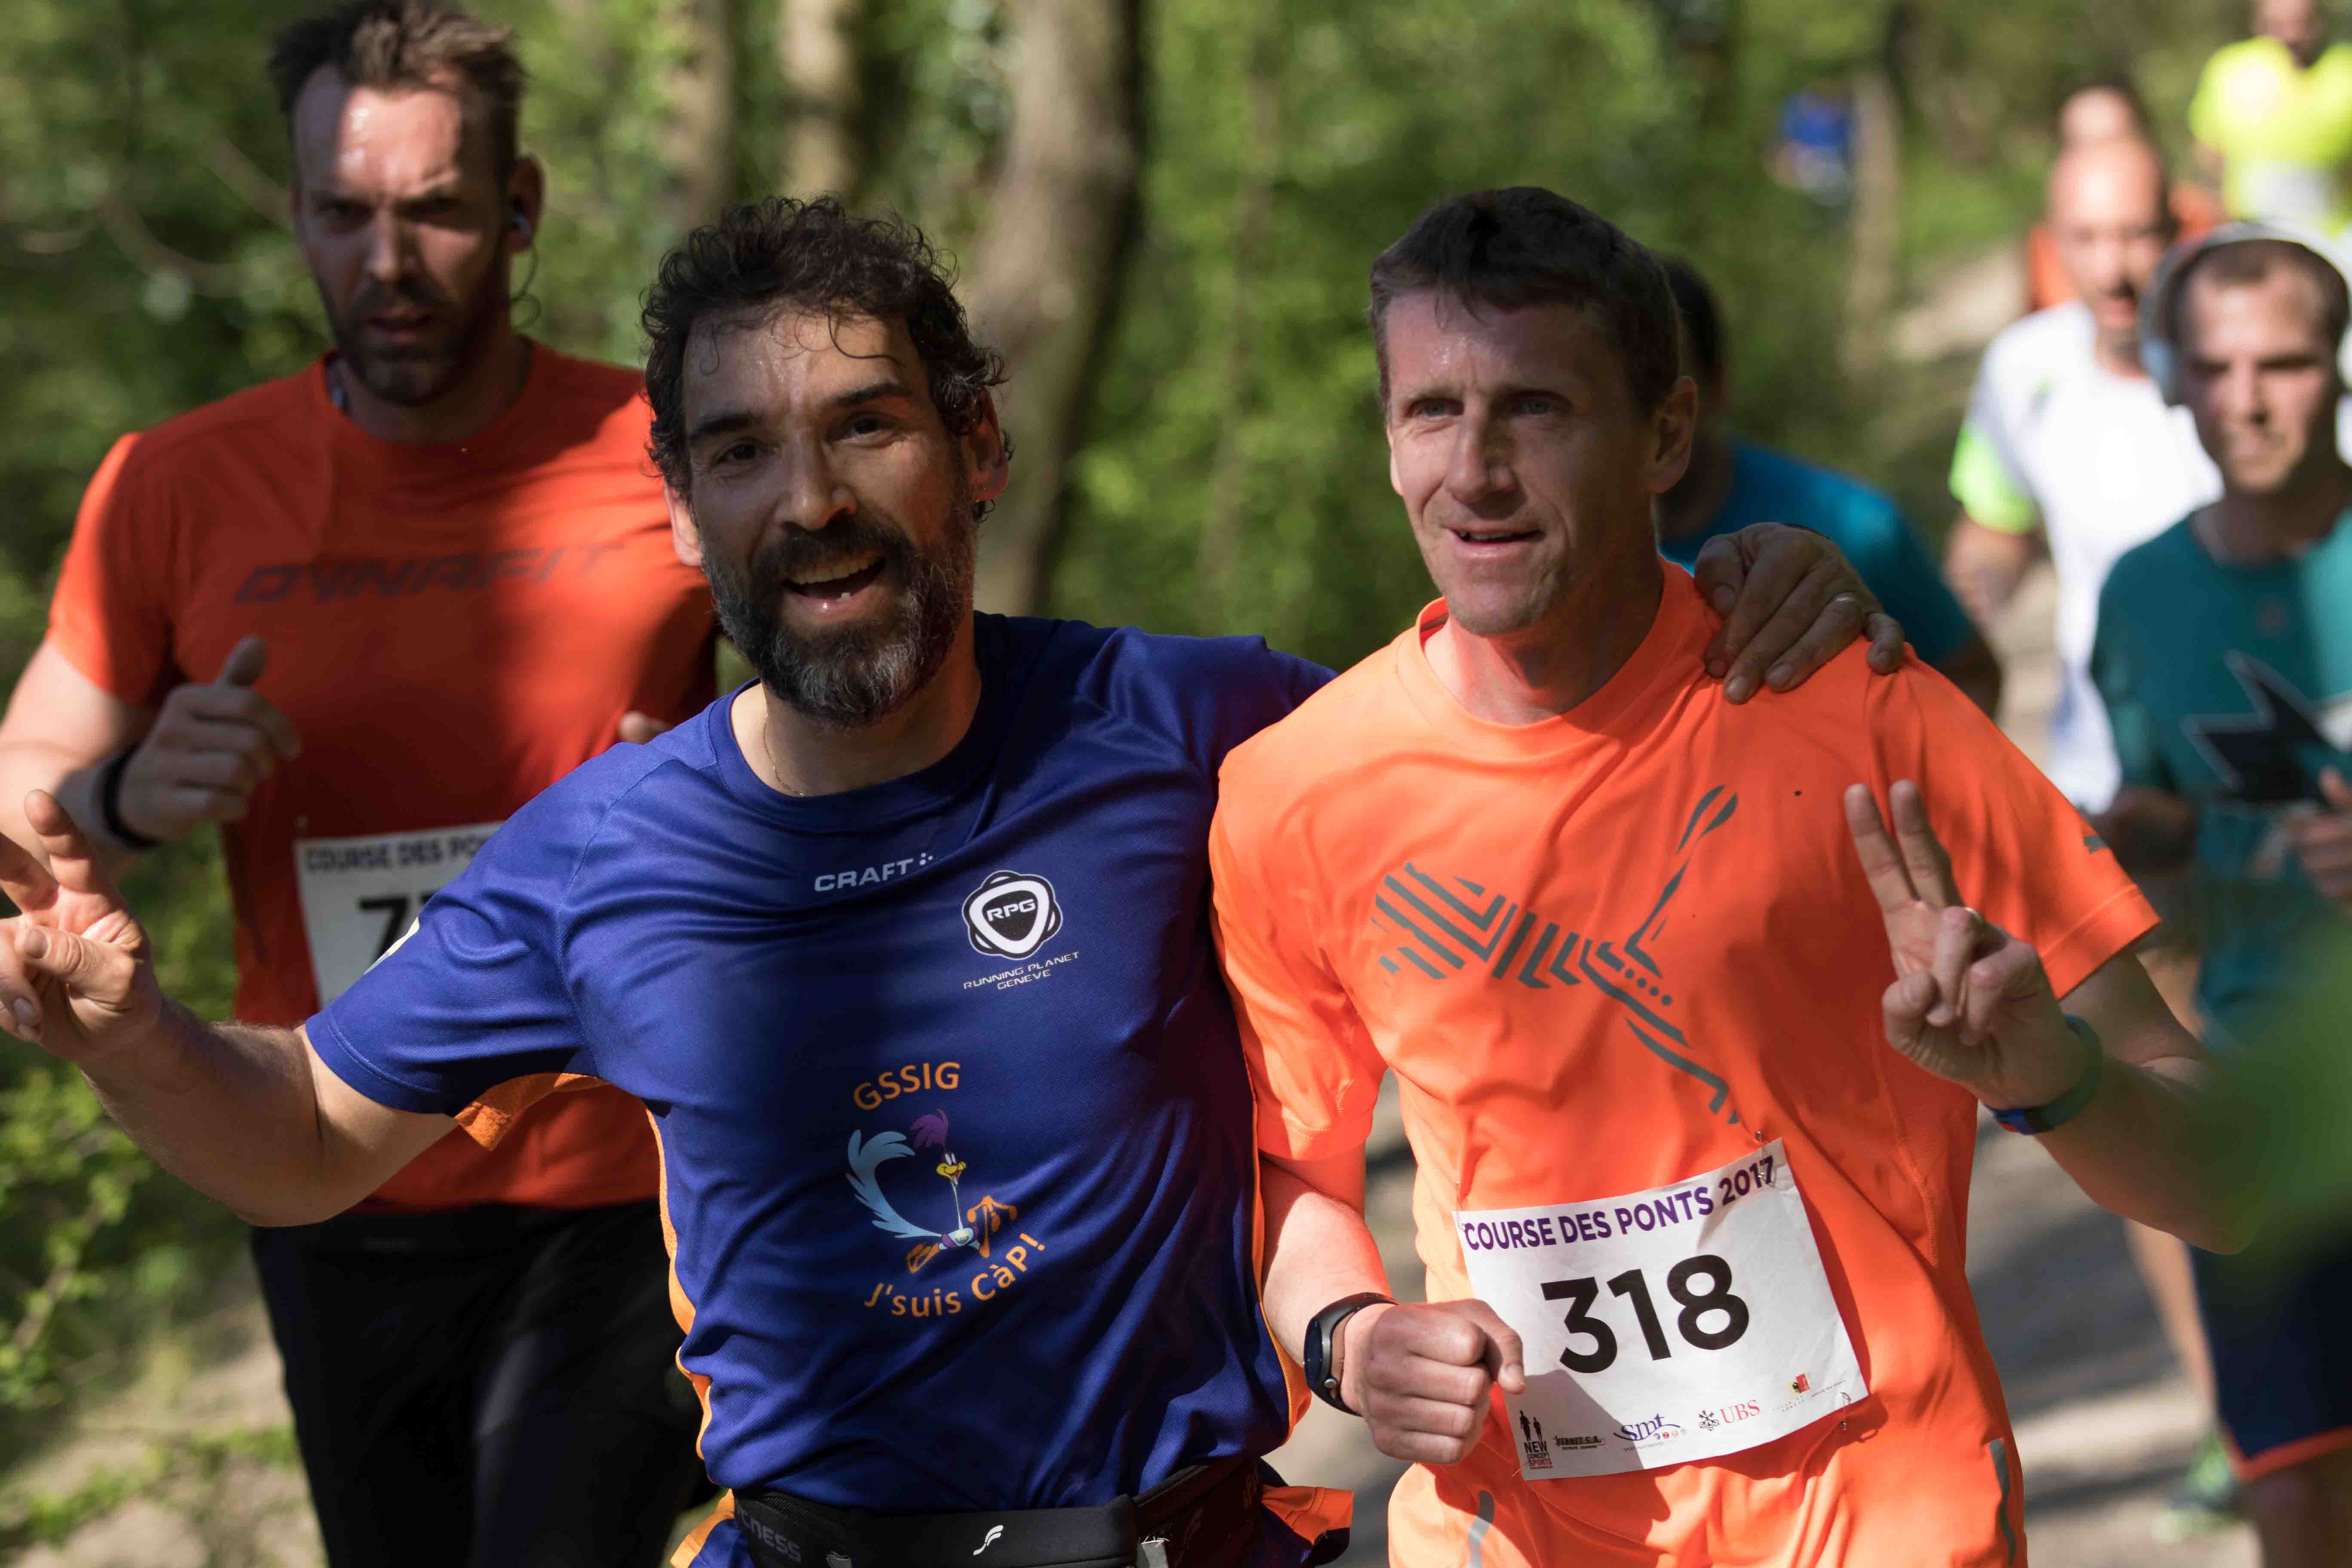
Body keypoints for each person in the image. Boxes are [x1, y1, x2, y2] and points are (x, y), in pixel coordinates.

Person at [0, 193, 1902, 1568]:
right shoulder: (598, 855)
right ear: (681, 513)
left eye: (865, 424)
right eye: (741, 451)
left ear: (973, 442)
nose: (808, 497)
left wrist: (1721, 597)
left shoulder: (1189, 723)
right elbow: (302, 1136)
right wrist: (130, 1030)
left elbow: (1515, 738)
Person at [1210, 187, 2241, 1568]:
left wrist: (2055, 1076)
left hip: (1883, 1524)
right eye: (1431, 412)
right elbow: (1290, 1171)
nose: (1477, 469)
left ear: (1668, 434)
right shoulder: (1296, 794)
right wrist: (1352, 1335)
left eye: (1537, 408)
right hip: (1511, 1538)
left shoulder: (1861, 710)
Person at [0, 3, 715, 1561]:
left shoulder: (671, 446)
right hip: (326, 1154)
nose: (387, 261)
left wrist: (720, 781)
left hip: (627, 1166)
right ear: (297, 211)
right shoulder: (178, 483)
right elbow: (23, 791)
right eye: (344, 212)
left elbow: (854, 707)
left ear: (517, 207)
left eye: (435, 211)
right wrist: (128, 794)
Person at [2092, 224, 2352, 1567]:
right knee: (2294, 1490)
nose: (2247, 400)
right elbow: (2173, 862)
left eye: (2285, 364)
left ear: (2339, 368)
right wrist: (2134, 844)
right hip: (2260, 1099)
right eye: (2216, 366)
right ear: (2173, 382)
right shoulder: (2143, 595)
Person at [1945, 135, 2220, 808]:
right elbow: (1995, 524)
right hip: (2099, 771)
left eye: (2135, 235)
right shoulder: (2022, 368)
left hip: (2256, 760)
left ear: (2180, 231)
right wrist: (1967, 592)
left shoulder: (2246, 366)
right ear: (2050, 244)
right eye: (2086, 237)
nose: (2111, 269)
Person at [1655, 256, 2000, 712]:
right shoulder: (1569, 560)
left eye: (1660, 385)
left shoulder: (1858, 526)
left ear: (1716, 385)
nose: (1646, 419)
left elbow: (1972, 678)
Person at [2025, 78, 2223, 313]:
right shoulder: (2043, 243)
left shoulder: (2200, 219)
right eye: (2082, 146)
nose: (2108, 275)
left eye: (2117, 141)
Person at [2190, 0, 2352, 236]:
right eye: (2279, 25)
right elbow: (2209, 152)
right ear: (2259, 25)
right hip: (2250, 233)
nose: (2292, 36)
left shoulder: (2346, 70)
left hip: (2335, 238)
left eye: (2302, 23)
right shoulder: (2230, 71)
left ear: (2320, 20)